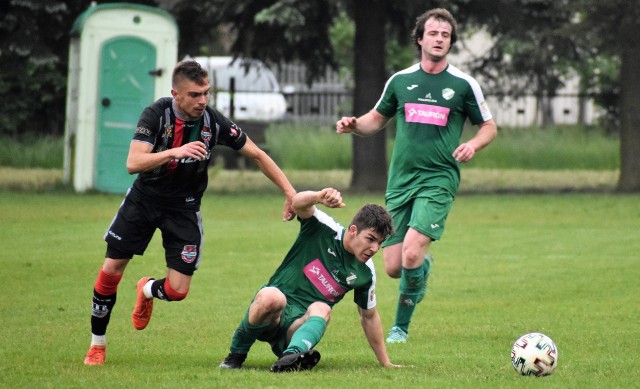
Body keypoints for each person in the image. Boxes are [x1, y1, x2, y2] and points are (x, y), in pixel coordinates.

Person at [83, 60, 297, 366]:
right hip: (145, 200)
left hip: (184, 208)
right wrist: (174, 151)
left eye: (206, 93)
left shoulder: (212, 122)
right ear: (176, 94)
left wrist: (289, 193)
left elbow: (258, 155)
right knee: (112, 268)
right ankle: (97, 345)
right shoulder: (156, 115)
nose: (202, 101)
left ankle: (146, 289)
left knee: (178, 290)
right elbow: (133, 162)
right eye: (195, 94)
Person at [336, 8, 497, 344]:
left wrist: (473, 145)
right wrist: (354, 126)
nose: (439, 39)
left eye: (445, 35)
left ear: (450, 42)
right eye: (433, 33)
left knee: (410, 252)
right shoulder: (401, 81)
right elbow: (375, 120)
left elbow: (489, 126)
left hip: (438, 179)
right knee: (395, 266)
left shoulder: (463, 85)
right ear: (420, 38)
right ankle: (422, 269)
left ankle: (400, 329)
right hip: (400, 183)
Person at [218, 188, 401, 372]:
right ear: (353, 230)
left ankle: (290, 357)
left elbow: (369, 317)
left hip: (296, 329)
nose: (375, 248)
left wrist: (385, 362)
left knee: (322, 308)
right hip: (272, 314)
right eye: (370, 239)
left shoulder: (365, 273)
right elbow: (297, 203)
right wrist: (319, 197)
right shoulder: (323, 228)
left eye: (379, 243)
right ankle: (236, 354)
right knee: (272, 297)